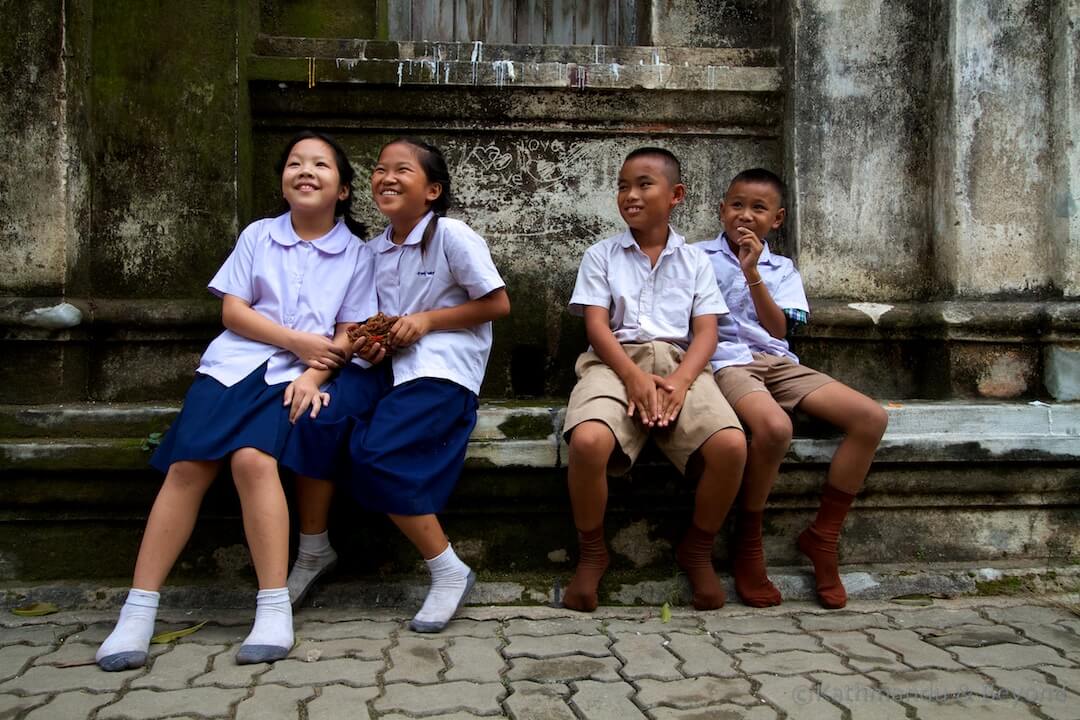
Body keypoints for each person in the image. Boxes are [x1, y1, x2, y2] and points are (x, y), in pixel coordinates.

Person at [95, 130, 374, 670]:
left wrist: (313, 372)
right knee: (188, 467)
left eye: (320, 164)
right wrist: (294, 339)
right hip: (233, 367)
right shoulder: (258, 236)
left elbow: (351, 330)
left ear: (342, 189)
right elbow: (233, 311)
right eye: (295, 163)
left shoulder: (356, 253)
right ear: (283, 181)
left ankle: (272, 607)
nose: (305, 171)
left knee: (253, 461)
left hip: (293, 377)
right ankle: (138, 611)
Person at [286, 137, 510, 633]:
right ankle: (313, 550)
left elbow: (497, 304)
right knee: (316, 419)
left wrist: (427, 321)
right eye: (380, 168)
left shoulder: (451, 235)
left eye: (402, 170)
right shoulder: (373, 250)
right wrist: (372, 343)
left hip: (441, 370)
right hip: (385, 369)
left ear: (431, 189)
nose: (386, 177)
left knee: (376, 451)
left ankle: (447, 569)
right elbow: (371, 322)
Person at [561, 147, 747, 612]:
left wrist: (681, 381)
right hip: (613, 363)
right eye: (623, 186)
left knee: (730, 447)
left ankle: (698, 549)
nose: (630, 195)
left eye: (644, 184)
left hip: (680, 366)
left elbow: (706, 332)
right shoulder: (601, 255)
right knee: (587, 442)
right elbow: (597, 327)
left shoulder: (695, 261)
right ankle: (592, 552)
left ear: (676, 195)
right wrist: (634, 378)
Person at [700, 168, 889, 609]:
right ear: (721, 209)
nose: (745, 215)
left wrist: (753, 272)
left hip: (778, 362)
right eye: (737, 205)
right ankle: (748, 541)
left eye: (758, 208)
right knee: (774, 428)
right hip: (727, 362)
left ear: (777, 219)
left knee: (871, 418)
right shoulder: (695, 257)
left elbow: (780, 328)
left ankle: (823, 536)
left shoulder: (781, 268)